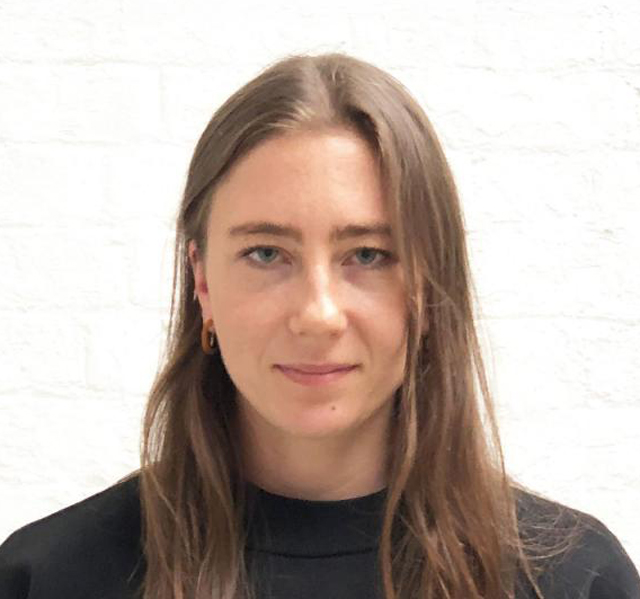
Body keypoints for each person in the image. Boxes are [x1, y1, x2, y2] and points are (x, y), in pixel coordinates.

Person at [0, 52, 638, 599]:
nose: (318, 314)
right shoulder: (52, 576)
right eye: (266, 254)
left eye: (369, 256)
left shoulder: (572, 579)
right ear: (202, 281)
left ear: (429, 282)